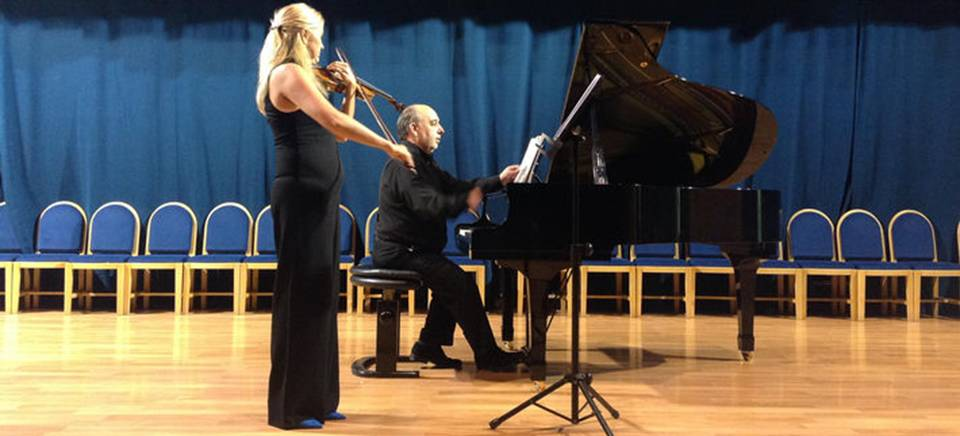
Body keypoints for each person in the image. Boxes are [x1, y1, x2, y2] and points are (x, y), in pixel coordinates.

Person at [255, 3, 414, 430]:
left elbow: (338, 131)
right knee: (300, 296)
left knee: (322, 294)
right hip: (301, 194)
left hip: (322, 195)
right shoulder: (288, 74)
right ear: (302, 35)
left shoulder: (307, 78)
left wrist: (347, 92)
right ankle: (290, 408)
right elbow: (331, 123)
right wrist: (388, 146)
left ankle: (320, 398)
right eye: (318, 36)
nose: (323, 44)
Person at [374, 104, 524, 372]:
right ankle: (487, 355)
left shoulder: (424, 162)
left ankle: (428, 345)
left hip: (417, 251)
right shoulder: (404, 163)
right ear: (414, 129)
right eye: (433, 123)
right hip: (401, 253)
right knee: (460, 284)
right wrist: (465, 201)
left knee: (454, 281)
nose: (441, 129)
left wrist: (499, 180)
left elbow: (458, 186)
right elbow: (427, 205)